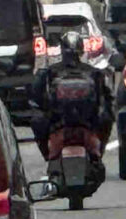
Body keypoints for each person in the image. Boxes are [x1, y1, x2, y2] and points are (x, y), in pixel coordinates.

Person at [33, 30, 113, 162]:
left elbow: (106, 100)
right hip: (66, 124)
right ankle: (48, 155)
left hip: (81, 124)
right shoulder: (50, 73)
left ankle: (98, 152)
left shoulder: (93, 73)